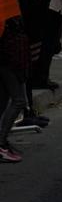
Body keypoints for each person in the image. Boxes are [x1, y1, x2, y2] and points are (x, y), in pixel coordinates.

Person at [0, 16, 31, 162]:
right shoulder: (9, 17)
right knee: (19, 101)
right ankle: (1, 143)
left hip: (10, 61)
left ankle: (2, 142)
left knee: (4, 101)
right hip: (10, 61)